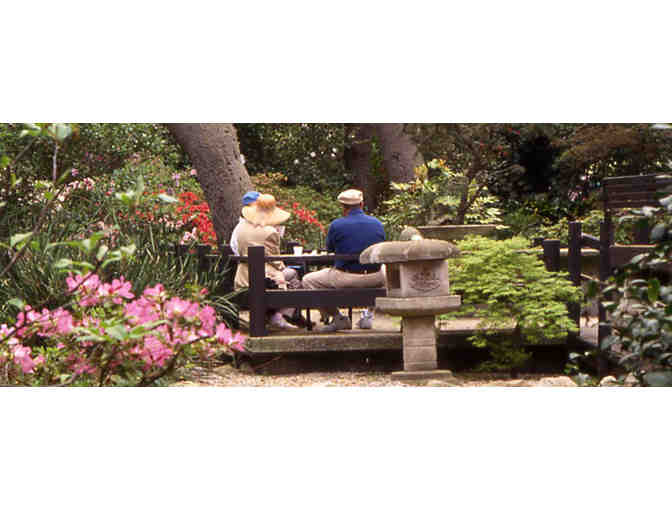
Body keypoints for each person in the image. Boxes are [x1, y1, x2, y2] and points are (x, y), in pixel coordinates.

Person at [302, 189, 385, 332]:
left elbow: (330, 249)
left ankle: (338, 318)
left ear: (343, 207)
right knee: (385, 271)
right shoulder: (377, 223)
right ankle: (368, 315)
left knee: (308, 280)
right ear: (362, 204)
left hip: (347, 277)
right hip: (375, 277)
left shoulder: (337, 225)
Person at [233, 193, 298, 330]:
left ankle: (273, 316)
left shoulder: (241, 228)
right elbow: (276, 260)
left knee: (287, 276)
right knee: (293, 275)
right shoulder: (270, 232)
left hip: (242, 277)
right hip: (263, 278)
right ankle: (279, 316)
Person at [230, 191, 260, 256]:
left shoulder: (239, 227)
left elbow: (234, 246)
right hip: (263, 261)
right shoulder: (263, 226)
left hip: (243, 261)